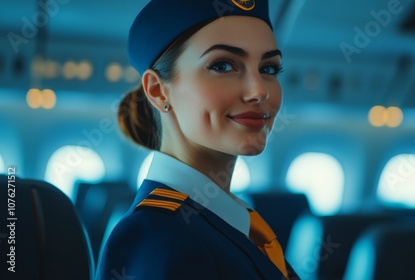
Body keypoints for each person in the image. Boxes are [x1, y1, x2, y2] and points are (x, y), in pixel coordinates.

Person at [95, 0, 299, 279]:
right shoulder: (155, 238)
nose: (259, 91)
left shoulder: (237, 221)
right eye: (224, 65)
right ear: (158, 91)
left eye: (269, 69)